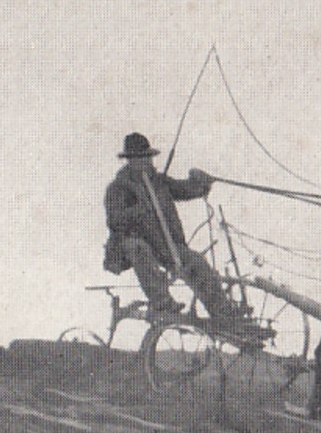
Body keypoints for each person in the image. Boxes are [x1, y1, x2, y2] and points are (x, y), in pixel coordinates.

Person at [103, 132, 240, 325]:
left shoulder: (159, 182)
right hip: (133, 247)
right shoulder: (118, 188)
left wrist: (200, 181)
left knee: (196, 263)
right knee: (138, 247)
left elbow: (186, 189)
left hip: (165, 244)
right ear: (129, 161)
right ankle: (162, 302)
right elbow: (114, 220)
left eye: (147, 157)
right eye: (139, 158)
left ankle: (224, 314)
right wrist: (137, 211)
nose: (145, 162)